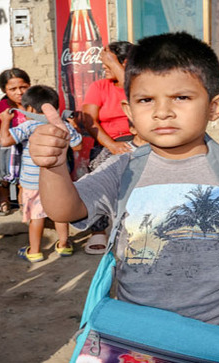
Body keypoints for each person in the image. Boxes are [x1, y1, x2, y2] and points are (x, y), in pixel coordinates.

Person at [29, 32, 219, 360]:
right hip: (141, 329)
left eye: (181, 98)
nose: (163, 112)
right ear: (128, 110)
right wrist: (52, 167)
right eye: (146, 100)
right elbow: (64, 210)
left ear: (215, 107)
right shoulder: (122, 168)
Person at [0, 85, 82, 262]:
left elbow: (5, 141)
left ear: (29, 109)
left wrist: (5, 120)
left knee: (36, 218)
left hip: (32, 182)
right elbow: (78, 145)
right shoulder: (62, 125)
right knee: (61, 214)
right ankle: (64, 246)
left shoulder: (28, 125)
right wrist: (72, 127)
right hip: (58, 181)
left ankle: (35, 251)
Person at [78, 41, 134, 254]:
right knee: (99, 171)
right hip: (108, 141)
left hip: (139, 138)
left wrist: (121, 71)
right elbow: (89, 120)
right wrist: (112, 145)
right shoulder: (99, 87)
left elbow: (139, 98)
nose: (103, 67)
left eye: (107, 62)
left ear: (124, 62)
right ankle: (98, 230)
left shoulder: (141, 84)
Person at [0, 68, 30, 216]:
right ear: (4, 89)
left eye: (23, 87)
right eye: (13, 89)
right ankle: (2, 194)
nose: (19, 92)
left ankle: (26, 194)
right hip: (7, 148)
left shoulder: (36, 105)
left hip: (31, 147)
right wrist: (11, 142)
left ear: (29, 85)